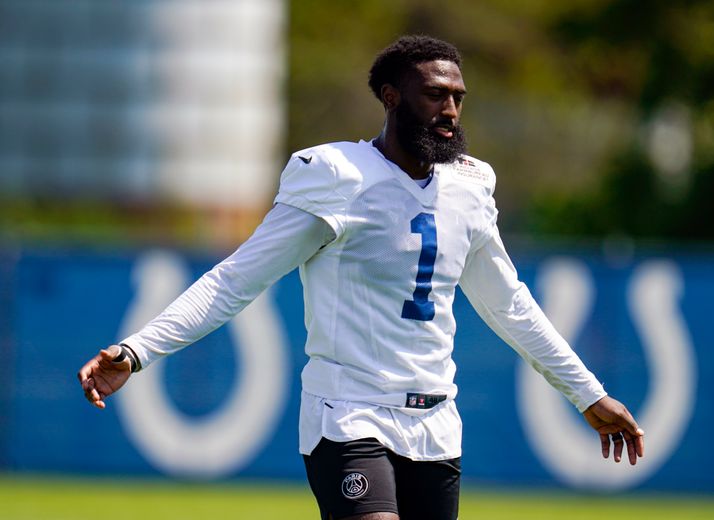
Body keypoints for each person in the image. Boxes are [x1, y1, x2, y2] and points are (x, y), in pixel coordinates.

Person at [78, 35, 644, 520]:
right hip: (350, 412)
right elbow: (235, 280)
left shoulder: (470, 187)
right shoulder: (335, 176)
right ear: (391, 97)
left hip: (437, 421)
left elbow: (509, 306)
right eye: (435, 95)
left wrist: (587, 393)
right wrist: (136, 350)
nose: (450, 111)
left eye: (458, 98)